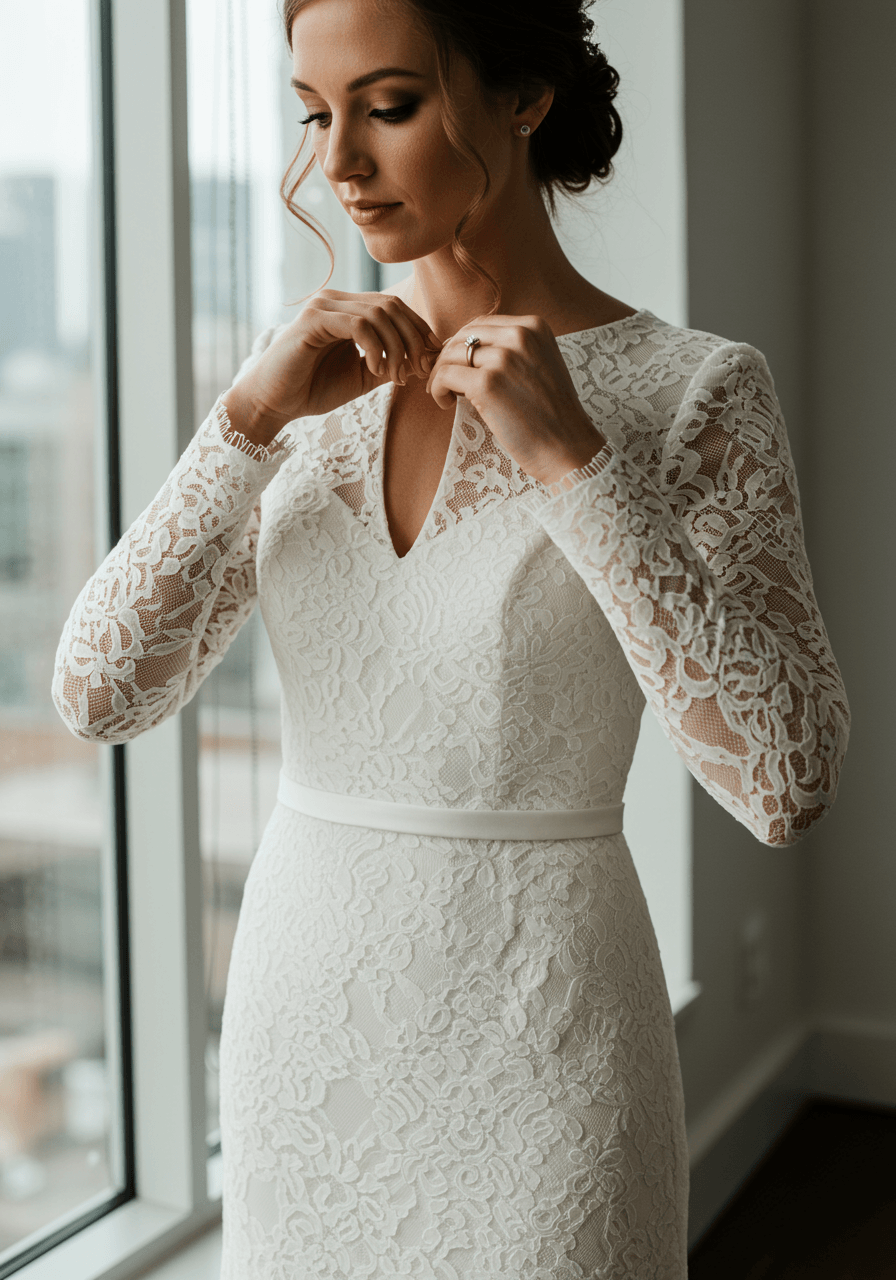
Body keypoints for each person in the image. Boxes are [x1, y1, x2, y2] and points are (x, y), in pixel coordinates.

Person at [52, 0, 851, 1274]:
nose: (339, 166)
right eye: (313, 117)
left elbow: (783, 778)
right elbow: (100, 693)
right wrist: (247, 419)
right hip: (302, 1040)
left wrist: (572, 460)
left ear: (521, 97)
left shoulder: (695, 389)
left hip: (547, 1041)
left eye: (388, 104)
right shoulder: (303, 394)